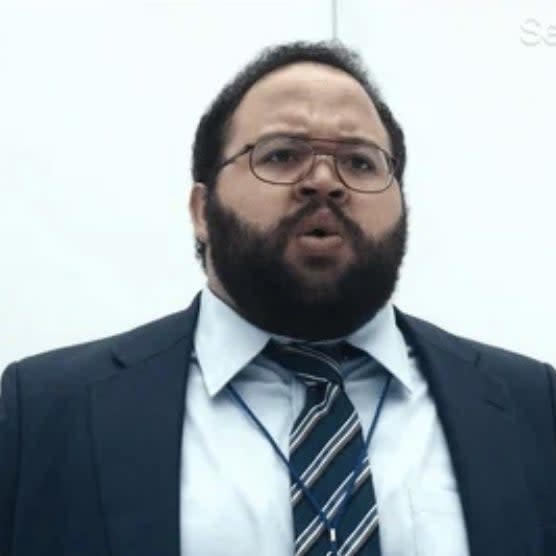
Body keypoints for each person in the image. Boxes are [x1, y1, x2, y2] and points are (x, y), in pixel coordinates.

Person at [1, 40, 555, 556]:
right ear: (202, 210)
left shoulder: (532, 405)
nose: (323, 181)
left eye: (360, 162)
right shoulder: (47, 410)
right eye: (281, 155)